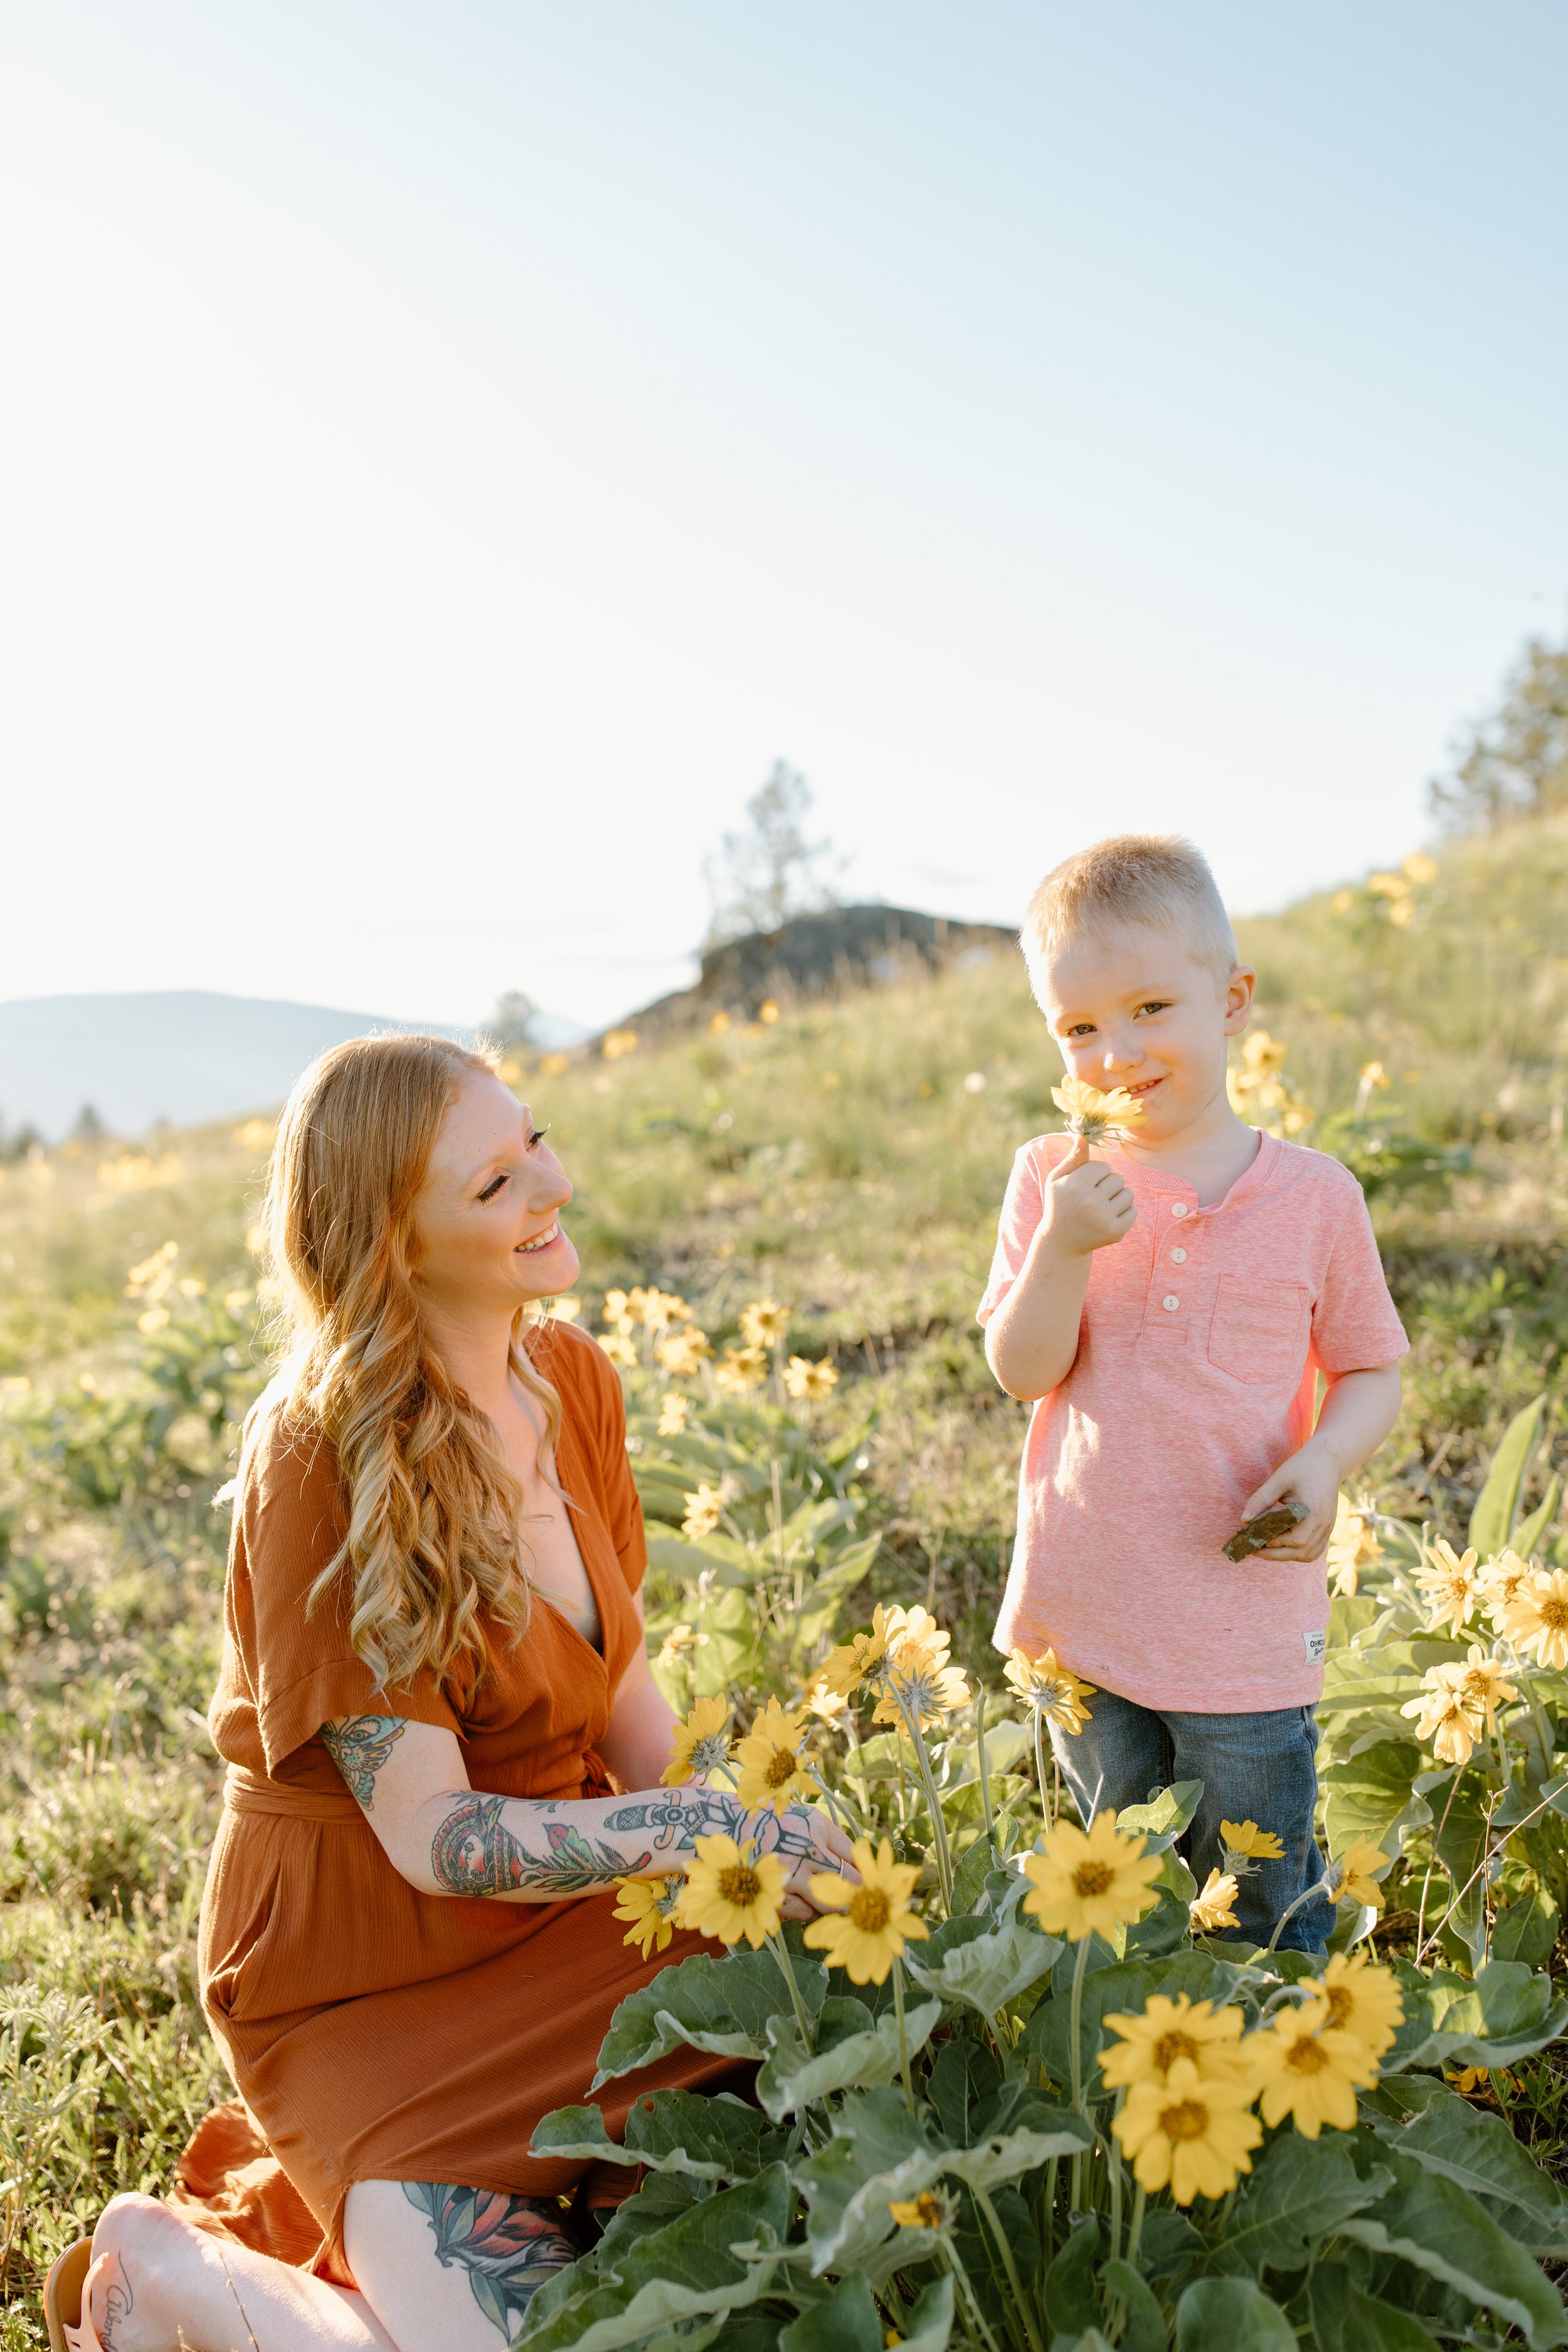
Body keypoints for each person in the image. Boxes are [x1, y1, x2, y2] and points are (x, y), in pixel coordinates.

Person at [58, 1034, 854, 2352]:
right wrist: (702, 1834)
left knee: (810, 1970)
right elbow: (436, 1839)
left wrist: (767, 1840)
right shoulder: (319, 1450)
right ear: (394, 1244)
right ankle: (167, 2262)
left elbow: (625, 1703)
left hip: (557, 1902)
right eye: (494, 1184)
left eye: (533, 1141)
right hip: (365, 1971)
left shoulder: (573, 1382)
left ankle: (336, 2249)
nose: (554, 1185)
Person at [980, 835, 1407, 1952]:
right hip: (1088, 1608)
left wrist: (1323, 1459)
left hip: (1243, 1623)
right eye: (1078, 1027)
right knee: (1119, 1881)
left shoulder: (1316, 1197)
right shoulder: (1052, 1175)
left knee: (1260, 1896)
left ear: (1233, 1002)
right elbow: (1023, 1370)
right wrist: (1064, 1247)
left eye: (1151, 1007)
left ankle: (1279, 2078)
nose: (1114, 1052)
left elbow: (1372, 1365)